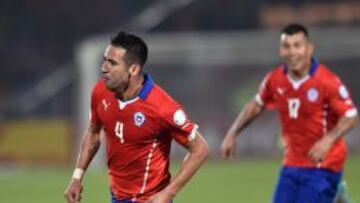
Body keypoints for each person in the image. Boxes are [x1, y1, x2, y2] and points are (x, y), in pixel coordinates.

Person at [221, 23, 358, 203]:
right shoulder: (275, 79)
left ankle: (335, 194)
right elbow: (255, 105)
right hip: (292, 164)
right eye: (287, 46)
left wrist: (328, 140)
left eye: (297, 45)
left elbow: (351, 116)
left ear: (309, 49)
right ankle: (337, 198)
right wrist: (232, 133)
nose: (292, 52)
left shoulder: (327, 81)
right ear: (281, 50)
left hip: (324, 165)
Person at [65, 31, 208, 203]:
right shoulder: (100, 92)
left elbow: (200, 149)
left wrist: (168, 193)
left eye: (112, 63)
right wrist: (77, 177)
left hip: (149, 199)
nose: (103, 67)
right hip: (118, 197)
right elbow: (93, 133)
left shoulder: (162, 107)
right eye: (105, 60)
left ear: (133, 69)